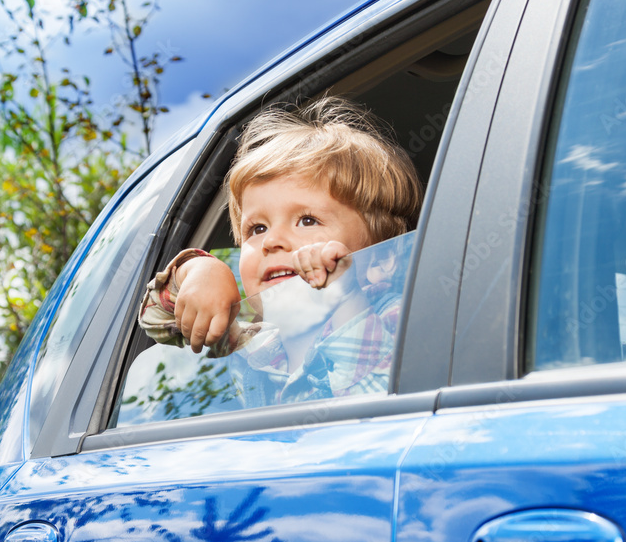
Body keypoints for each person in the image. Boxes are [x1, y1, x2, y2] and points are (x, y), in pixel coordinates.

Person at [136, 96, 422, 409]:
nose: (272, 241)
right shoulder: (252, 343)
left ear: (381, 259)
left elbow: (381, 401)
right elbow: (157, 320)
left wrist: (346, 299)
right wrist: (200, 271)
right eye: (257, 229)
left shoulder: (402, 319)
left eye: (307, 220)